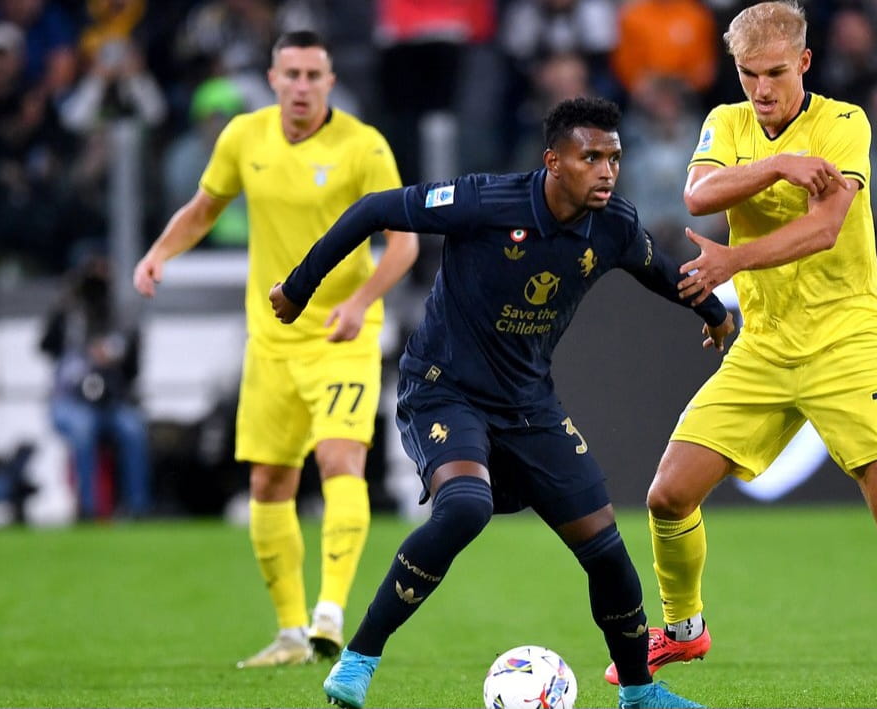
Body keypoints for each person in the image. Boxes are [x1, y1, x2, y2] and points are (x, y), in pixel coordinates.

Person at [269, 96, 732, 709]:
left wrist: (713, 312)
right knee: (465, 507)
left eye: (614, 158)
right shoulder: (485, 202)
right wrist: (300, 286)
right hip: (444, 390)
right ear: (553, 162)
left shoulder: (613, 225)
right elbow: (373, 209)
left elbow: (659, 268)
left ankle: (640, 694)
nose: (606, 171)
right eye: (590, 157)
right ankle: (358, 660)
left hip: (528, 406)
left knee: (607, 551)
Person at [600, 4, 877, 709]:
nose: (762, 89)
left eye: (775, 72)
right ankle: (683, 629)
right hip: (765, 346)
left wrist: (732, 260)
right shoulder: (727, 122)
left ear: (804, 62)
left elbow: (826, 227)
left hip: (848, 341)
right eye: (749, 74)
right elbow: (698, 194)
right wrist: (777, 164)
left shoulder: (845, 123)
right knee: (667, 496)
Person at [132, 30, 418, 668]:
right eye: (292, 74)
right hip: (271, 340)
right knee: (267, 481)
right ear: (272, 80)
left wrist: (360, 302)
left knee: (340, 459)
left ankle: (330, 613)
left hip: (343, 335)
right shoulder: (244, 136)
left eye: (314, 75)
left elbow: (404, 243)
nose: (302, 87)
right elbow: (205, 208)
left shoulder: (364, 146)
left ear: (331, 82)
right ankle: (291, 633)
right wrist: (158, 254)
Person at [41, 254, 152, 519]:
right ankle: (89, 508)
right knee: (83, 429)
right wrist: (66, 299)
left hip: (111, 402)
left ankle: (138, 508)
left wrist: (114, 358)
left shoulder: (120, 318)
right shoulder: (68, 313)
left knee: (134, 429)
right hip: (70, 400)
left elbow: (134, 371)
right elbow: (45, 345)